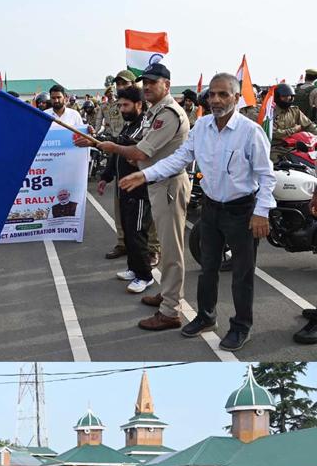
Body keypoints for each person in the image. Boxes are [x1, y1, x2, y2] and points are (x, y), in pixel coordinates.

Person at [120, 71, 275, 351]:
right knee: (208, 268)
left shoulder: (250, 132)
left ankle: (241, 326)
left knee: (242, 273)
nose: (215, 99)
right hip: (211, 208)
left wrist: (261, 211)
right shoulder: (201, 126)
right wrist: (145, 176)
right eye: (212, 94)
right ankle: (206, 317)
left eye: (223, 94)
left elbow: (266, 176)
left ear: (237, 98)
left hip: (242, 211)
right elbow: (178, 159)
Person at [100, 63, 190, 334]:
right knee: (163, 243)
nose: (147, 86)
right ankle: (168, 294)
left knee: (171, 250)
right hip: (157, 183)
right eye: (145, 82)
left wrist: (113, 147)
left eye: (153, 82)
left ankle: (171, 311)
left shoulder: (169, 114)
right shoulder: (156, 112)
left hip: (168, 185)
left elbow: (141, 152)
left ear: (167, 84)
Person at [97, 85, 158, 296]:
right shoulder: (128, 125)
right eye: (120, 105)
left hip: (140, 189)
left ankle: (145, 276)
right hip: (124, 187)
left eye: (126, 105)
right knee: (129, 231)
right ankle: (134, 269)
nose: (122, 109)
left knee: (138, 233)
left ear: (139, 104)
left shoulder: (145, 125)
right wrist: (106, 177)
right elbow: (116, 153)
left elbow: (130, 145)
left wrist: (106, 142)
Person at [269, 83, 316, 163]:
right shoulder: (270, 112)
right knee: (274, 162)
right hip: (276, 147)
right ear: (277, 97)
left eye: (290, 96)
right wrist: (294, 129)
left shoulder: (294, 111)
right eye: (284, 96)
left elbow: (309, 125)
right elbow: (274, 133)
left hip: (295, 146)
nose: (288, 98)